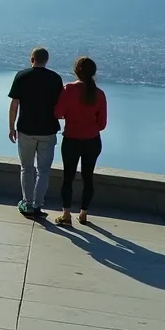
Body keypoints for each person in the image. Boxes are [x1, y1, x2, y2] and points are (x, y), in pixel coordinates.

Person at [8, 47, 64, 219]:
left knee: (26, 168)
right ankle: (38, 204)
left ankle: (27, 203)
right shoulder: (55, 78)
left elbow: (14, 105)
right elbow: (60, 107)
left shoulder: (21, 76)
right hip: (48, 130)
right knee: (43, 170)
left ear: (32, 59)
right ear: (46, 60)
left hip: (25, 130)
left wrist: (11, 127)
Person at [54, 56, 107, 226]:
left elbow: (57, 113)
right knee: (88, 177)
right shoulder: (99, 94)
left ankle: (66, 215)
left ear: (76, 71)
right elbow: (102, 124)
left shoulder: (68, 89)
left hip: (71, 140)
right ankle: (83, 214)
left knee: (68, 178)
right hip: (92, 141)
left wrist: (71, 117)